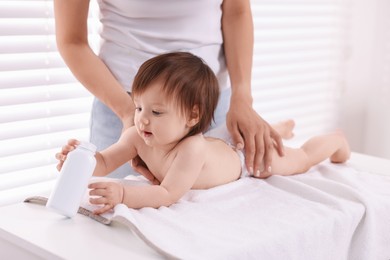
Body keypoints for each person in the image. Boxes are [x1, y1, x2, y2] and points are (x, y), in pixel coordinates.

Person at [56, 52, 351, 214]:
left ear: (193, 116)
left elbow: (168, 193)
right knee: (227, 137)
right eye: (138, 107)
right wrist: (81, 159)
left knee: (300, 160)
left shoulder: (191, 148)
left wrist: (123, 192)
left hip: (242, 158)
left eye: (156, 112)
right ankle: (278, 128)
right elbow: (106, 162)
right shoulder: (137, 135)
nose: (143, 120)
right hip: (219, 144)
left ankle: (336, 140)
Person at [53, 0, 284, 179]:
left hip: (211, 107)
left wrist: (242, 96)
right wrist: (129, 114)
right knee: (117, 223)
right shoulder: (134, 119)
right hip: (124, 107)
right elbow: (72, 40)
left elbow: (237, 12)